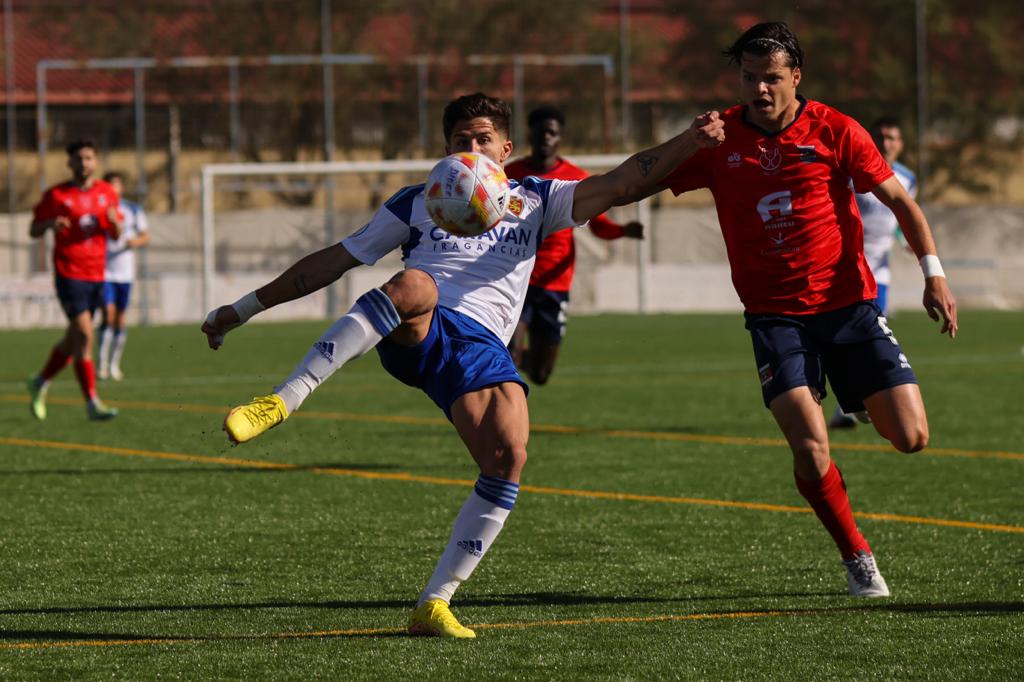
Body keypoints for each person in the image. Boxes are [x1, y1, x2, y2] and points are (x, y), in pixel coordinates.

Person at [202, 92, 724, 638]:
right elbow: (332, 261)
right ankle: (283, 399)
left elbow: (622, 183)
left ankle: (435, 603)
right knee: (414, 284)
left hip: (481, 350)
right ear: (446, 148)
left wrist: (690, 140)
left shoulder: (537, 199)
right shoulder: (417, 202)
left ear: (505, 148)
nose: (470, 150)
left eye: (481, 140)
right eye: (459, 141)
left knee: (509, 453)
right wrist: (241, 310)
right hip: (418, 326)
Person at [654, 23, 957, 597]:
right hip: (775, 318)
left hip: (849, 309)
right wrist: (686, 143)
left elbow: (900, 201)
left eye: (771, 77)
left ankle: (857, 394)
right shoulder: (720, 138)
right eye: (749, 77)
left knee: (912, 437)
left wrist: (933, 274)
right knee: (810, 443)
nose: (759, 89)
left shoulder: (837, 129)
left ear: (796, 75)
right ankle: (857, 557)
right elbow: (643, 177)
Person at [504, 105, 644, 384]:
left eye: (551, 133)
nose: (545, 137)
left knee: (542, 373)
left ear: (559, 137)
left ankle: (523, 360)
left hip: (556, 283)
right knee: (510, 352)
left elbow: (599, 225)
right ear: (529, 135)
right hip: (516, 277)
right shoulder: (509, 174)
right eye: (539, 132)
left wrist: (622, 231)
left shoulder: (576, 177)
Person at [831, 117, 917, 428]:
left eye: (892, 138)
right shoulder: (854, 170)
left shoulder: (907, 178)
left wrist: (904, 240)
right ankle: (853, 402)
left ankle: (853, 405)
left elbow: (900, 214)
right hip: (844, 266)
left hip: (878, 273)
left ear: (901, 143)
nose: (886, 143)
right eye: (881, 137)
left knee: (866, 336)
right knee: (846, 337)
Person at [27, 139, 122, 421]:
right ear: (70, 163)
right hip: (69, 273)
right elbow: (33, 229)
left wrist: (115, 224)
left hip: (97, 273)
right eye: (79, 158)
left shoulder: (107, 193)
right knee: (84, 334)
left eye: (89, 158)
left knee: (75, 339)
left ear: (95, 162)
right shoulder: (56, 195)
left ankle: (40, 381)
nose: (84, 163)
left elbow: (115, 233)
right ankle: (92, 401)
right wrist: (49, 224)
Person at [96, 171, 150, 382]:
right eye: (108, 186)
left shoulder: (132, 209)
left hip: (125, 273)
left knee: (120, 319)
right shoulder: (99, 209)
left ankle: (114, 364)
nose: (112, 190)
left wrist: (132, 242)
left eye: (115, 186)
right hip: (104, 271)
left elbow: (145, 236)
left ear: (121, 188)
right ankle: (101, 364)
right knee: (107, 314)